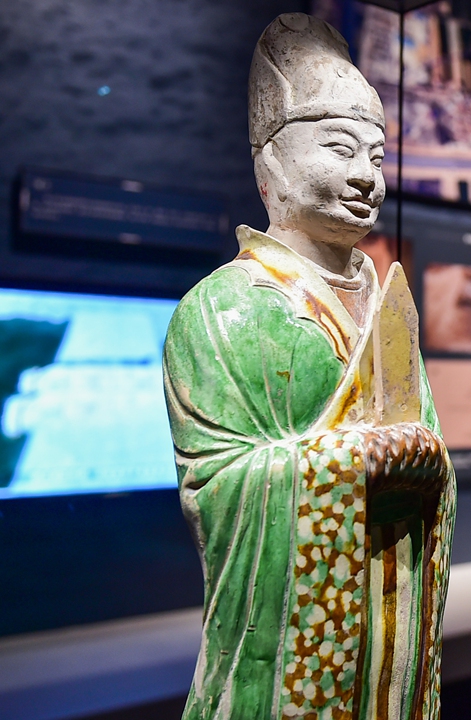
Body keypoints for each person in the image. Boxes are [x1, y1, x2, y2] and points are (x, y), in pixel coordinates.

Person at [163, 14, 454, 719]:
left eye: (377, 157)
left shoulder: (386, 304)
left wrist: (426, 458)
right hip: (288, 665)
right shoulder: (223, 306)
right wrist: (357, 461)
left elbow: (428, 450)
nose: (365, 177)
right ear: (271, 165)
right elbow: (217, 484)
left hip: (392, 630)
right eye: (339, 149)